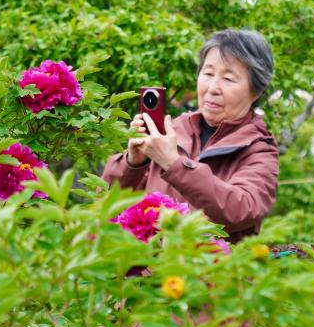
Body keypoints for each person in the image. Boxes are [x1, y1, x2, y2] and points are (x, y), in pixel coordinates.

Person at [103, 29, 278, 243]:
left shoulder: (259, 150)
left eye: (228, 79)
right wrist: (133, 164)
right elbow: (107, 204)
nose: (213, 88)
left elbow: (240, 210)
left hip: (210, 263)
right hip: (148, 263)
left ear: (256, 91)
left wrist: (174, 164)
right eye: (208, 74)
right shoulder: (172, 131)